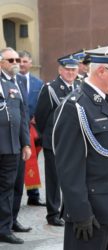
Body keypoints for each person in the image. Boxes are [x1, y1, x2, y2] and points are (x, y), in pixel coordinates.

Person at [53, 45, 108, 250]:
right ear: (101, 71)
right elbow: (69, 169)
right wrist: (80, 213)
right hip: (91, 213)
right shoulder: (74, 107)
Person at [35, 55, 80, 227]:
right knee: (54, 179)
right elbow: (41, 116)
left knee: (72, 178)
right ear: (60, 70)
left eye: (73, 70)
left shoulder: (79, 87)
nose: (70, 72)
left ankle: (69, 210)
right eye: (67, 69)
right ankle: (53, 214)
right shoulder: (51, 89)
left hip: (74, 141)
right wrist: (50, 135)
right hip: (55, 141)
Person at [0, 47, 33, 234]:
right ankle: (4, 228)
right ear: (1, 63)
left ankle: (11, 222)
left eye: (17, 60)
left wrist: (26, 143)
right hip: (2, 143)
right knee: (4, 188)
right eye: (11, 60)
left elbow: (23, 114)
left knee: (15, 186)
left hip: (15, 144)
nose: (16, 63)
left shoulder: (19, 80)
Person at [18, 50, 45, 207]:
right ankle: (16, 195)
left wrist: (37, 118)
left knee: (32, 160)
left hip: (33, 129)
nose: (22, 63)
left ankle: (33, 195)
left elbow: (42, 103)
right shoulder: (10, 81)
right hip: (17, 128)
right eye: (19, 60)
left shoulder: (38, 83)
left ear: (30, 63)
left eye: (25, 61)